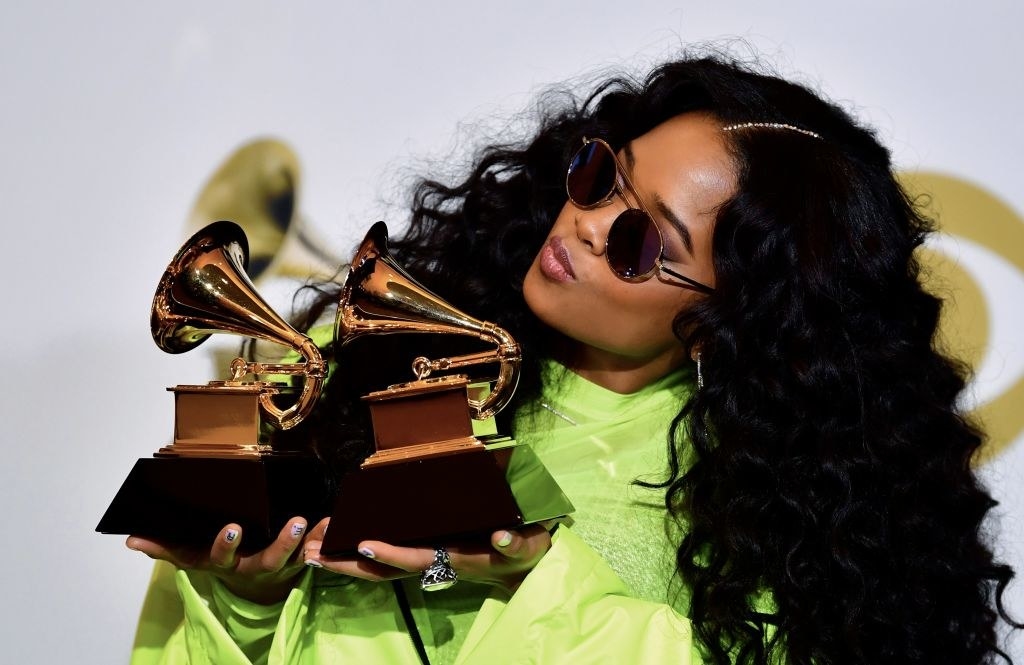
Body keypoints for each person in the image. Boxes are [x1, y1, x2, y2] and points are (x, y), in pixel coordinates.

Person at [126, 53, 1020, 664]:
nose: (587, 224)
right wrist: (242, 596)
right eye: (601, 176)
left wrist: (535, 572)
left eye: (638, 240)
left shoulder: (785, 508)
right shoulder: (364, 356)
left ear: (722, 323)